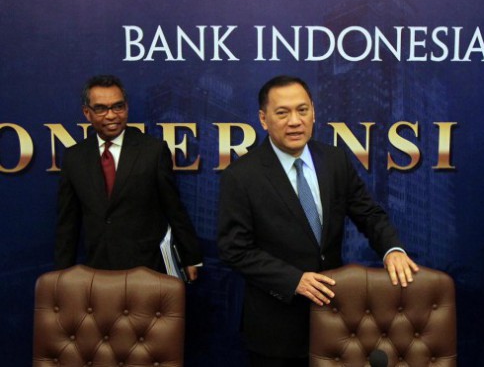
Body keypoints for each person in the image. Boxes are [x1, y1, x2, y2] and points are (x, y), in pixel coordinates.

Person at [217, 75, 419, 367]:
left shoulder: (335, 160)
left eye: (302, 110)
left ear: (313, 111)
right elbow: (234, 249)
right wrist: (294, 280)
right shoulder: (241, 176)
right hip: (276, 329)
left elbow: (368, 213)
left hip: (338, 320)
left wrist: (392, 249)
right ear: (263, 119)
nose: (295, 121)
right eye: (282, 113)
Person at [55, 75, 202, 280]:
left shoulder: (153, 150)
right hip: (97, 269)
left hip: (147, 268)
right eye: (101, 109)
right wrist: (61, 274)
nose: (111, 115)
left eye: (118, 107)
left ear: (127, 107)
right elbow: (68, 224)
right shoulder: (74, 157)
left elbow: (174, 208)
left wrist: (190, 257)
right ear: (87, 113)